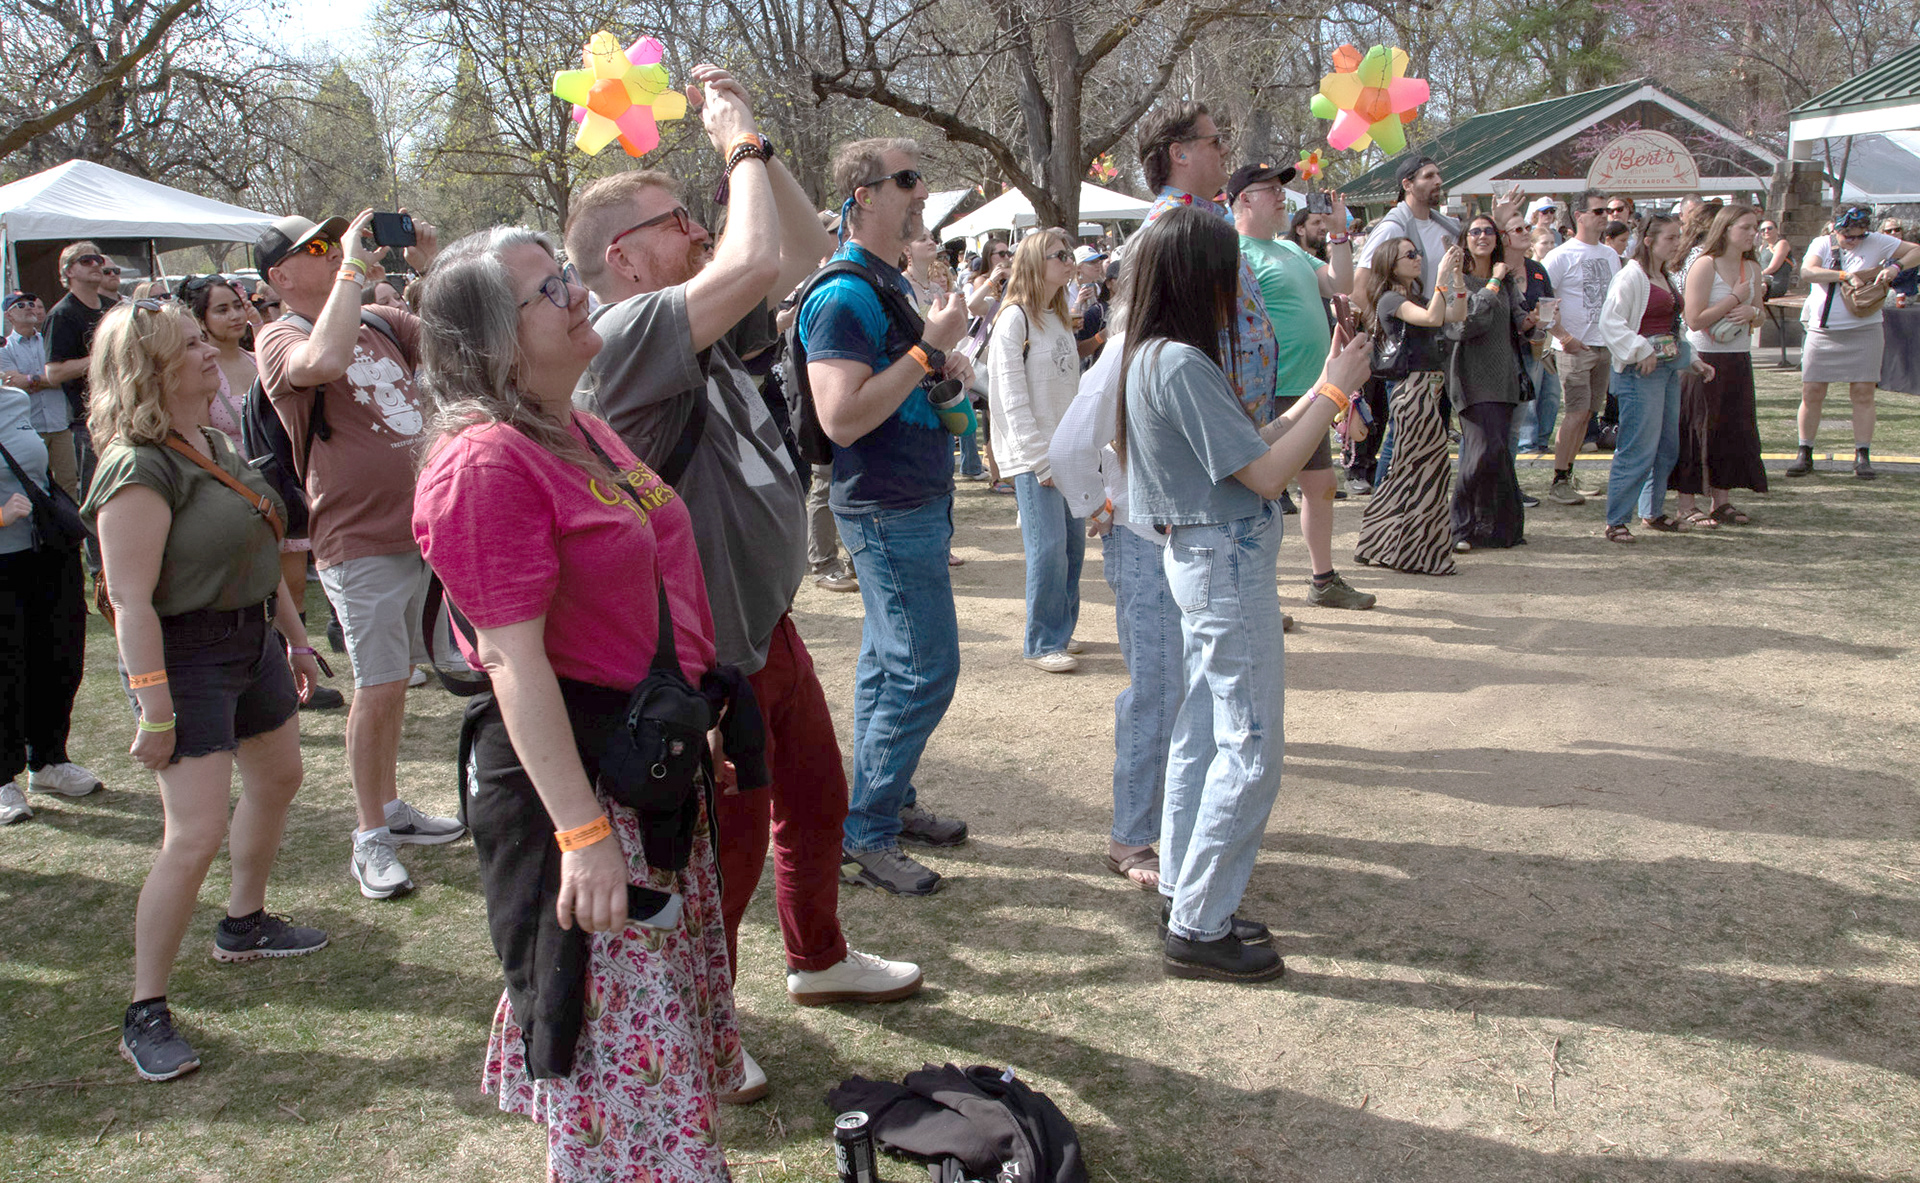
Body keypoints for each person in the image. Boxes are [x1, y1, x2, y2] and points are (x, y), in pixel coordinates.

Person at [566, 69, 922, 1103]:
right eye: (676, 221)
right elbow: (762, 252)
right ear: (623, 256)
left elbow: (805, 253)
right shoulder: (626, 333)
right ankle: (703, 1024)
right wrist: (737, 140)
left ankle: (815, 960)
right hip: (700, 652)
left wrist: (756, 155)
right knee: (722, 854)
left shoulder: (706, 319)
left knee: (817, 800)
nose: (698, 229)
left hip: (764, 623)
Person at [411, 227, 741, 1182]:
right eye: (547, 288)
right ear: (490, 338)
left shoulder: (575, 422)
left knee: (656, 1067)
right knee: (622, 1086)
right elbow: (513, 663)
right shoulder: (484, 464)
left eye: (566, 274)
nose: (575, 291)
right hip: (584, 792)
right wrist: (581, 836)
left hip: (640, 768)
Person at [1113, 204, 1371, 982]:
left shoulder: (1162, 356)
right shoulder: (1179, 363)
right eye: (1231, 267)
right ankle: (1197, 923)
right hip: (1222, 557)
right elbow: (1264, 474)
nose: (1243, 280)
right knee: (1250, 745)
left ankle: (1192, 897)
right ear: (1200, 277)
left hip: (1208, 555)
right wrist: (1334, 396)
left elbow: (1251, 446)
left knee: (1206, 732)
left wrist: (1323, 386)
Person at [82, 299, 328, 1080]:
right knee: (191, 834)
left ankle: (243, 924)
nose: (206, 350)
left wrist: (293, 635)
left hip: (249, 638)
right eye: (188, 344)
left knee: (280, 777)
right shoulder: (137, 466)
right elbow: (129, 601)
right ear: (150, 369)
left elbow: (261, 542)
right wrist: (154, 706)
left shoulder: (213, 439)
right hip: (184, 654)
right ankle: (144, 1008)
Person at [255, 209, 467, 901]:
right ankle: (369, 835)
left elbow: (458, 342)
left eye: (337, 240)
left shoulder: (379, 317)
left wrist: (428, 268)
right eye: (316, 246)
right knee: (377, 688)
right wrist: (352, 268)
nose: (338, 249)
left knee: (405, 680)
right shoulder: (280, 335)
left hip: (426, 528)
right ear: (282, 276)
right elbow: (325, 361)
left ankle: (395, 808)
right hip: (359, 539)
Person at [799, 137, 977, 896]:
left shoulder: (886, 282)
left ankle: (885, 802)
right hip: (884, 509)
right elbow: (839, 418)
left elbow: (902, 384)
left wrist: (941, 364)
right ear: (862, 196)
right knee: (924, 669)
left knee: (885, 667)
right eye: (908, 179)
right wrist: (928, 349)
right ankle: (865, 831)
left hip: (912, 499)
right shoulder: (843, 293)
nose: (922, 191)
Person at [1228, 164, 1376, 612]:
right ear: (1243, 200)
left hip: (1313, 389)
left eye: (1281, 190)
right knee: (1257, 494)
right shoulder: (1234, 252)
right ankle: (1256, 592)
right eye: (1269, 190)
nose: (1280, 197)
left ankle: (1323, 579)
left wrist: (1339, 233)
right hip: (1267, 391)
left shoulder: (1289, 250)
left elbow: (1341, 284)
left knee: (1323, 486)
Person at [0, 363, 99, 825]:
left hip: (47, 551)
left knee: (60, 653)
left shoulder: (15, 402)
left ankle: (49, 760)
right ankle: (3, 778)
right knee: (6, 665)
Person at [986, 227, 1087, 673]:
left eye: (1068, 253)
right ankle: (1042, 641)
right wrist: (1038, 459)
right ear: (1033, 263)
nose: (1068, 260)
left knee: (1073, 548)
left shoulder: (1060, 318)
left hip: (1069, 452)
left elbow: (1074, 390)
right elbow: (1009, 398)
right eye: (1057, 255)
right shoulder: (1014, 319)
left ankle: (1060, 628)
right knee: (1047, 548)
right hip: (1035, 457)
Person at [1137, 101, 1278, 414]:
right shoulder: (1173, 231)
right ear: (1179, 154)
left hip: (1238, 422)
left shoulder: (1205, 220)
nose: (1225, 149)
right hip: (1214, 425)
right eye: (1215, 142)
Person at [1597, 213, 1718, 540]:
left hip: (1666, 369)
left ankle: (1651, 511)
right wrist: (1640, 349)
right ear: (1648, 241)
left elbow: (1672, 328)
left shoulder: (1665, 276)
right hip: (1640, 373)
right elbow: (1611, 323)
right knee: (1638, 447)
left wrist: (1692, 359)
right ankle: (1616, 520)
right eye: (1670, 237)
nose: (1676, 243)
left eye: (1679, 237)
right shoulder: (1631, 277)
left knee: (1667, 445)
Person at [1354, 236, 1465, 575]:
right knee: (1421, 471)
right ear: (1392, 263)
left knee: (1420, 470)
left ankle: (1385, 544)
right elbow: (1433, 318)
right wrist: (1442, 273)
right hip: (1412, 390)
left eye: (1417, 253)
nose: (1417, 259)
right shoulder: (1389, 299)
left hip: (1428, 389)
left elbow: (1456, 314)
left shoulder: (1411, 297)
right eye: (1409, 255)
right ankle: (1417, 552)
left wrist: (1455, 277)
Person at [1789, 206, 1920, 479]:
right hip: (1823, 330)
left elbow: (1915, 250)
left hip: (1865, 329)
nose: (1854, 241)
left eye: (1860, 236)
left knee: (1863, 392)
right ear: (1835, 229)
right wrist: (1844, 275)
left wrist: (1895, 267)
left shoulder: (1879, 241)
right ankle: (1805, 452)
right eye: (1848, 236)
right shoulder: (1822, 244)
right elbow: (1808, 272)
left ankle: (1862, 455)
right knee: (1812, 391)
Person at [1673, 204, 1769, 526]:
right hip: (1704, 360)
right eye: (1745, 227)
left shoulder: (1752, 268)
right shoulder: (1705, 265)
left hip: (1738, 356)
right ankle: (1686, 504)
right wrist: (1732, 300)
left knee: (1730, 428)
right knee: (1696, 429)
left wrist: (1753, 313)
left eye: (1755, 227)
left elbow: (1760, 312)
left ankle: (1721, 501)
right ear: (1726, 229)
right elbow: (1693, 320)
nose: (1752, 234)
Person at [1448, 215, 1528, 552]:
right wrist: (1493, 283)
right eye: (1475, 231)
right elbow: (1465, 326)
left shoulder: (1507, 281)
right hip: (1471, 377)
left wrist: (1533, 321)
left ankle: (1501, 527)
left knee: (1499, 453)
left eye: (1489, 231)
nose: (1482, 236)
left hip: (1505, 377)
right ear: (1465, 239)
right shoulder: (1457, 280)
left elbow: (1519, 320)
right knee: (1481, 452)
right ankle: (1458, 528)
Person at [1542, 191, 1622, 506]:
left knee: (1588, 413)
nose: (1606, 216)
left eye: (1608, 211)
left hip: (1603, 344)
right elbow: (1543, 302)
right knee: (1575, 414)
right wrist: (1563, 336)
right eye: (1599, 210)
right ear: (1580, 216)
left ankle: (1569, 472)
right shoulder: (1561, 255)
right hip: (1572, 347)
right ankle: (1558, 479)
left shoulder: (1610, 254)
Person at [44, 241, 118, 568]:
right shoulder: (62, 315)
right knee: (95, 498)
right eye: (86, 260)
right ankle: (99, 569)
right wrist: (98, 357)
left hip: (121, 413)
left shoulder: (110, 308)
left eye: (98, 259)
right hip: (88, 421)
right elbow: (53, 372)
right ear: (69, 271)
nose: (95, 264)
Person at [1354, 157, 1461, 317]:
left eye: (1438, 175)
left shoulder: (1450, 227)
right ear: (1407, 185)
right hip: (1408, 332)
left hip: (1443, 327)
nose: (1438, 181)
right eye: (1429, 176)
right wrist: (1385, 329)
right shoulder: (1392, 229)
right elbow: (1359, 290)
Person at [2, 291, 78, 500]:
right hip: (30, 428)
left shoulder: (50, 339)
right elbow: (14, 384)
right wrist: (48, 378)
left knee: (68, 483)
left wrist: (30, 380)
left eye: (30, 303)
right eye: (20, 305)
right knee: (34, 484)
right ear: (9, 316)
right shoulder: (4, 349)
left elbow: (63, 377)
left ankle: (71, 529)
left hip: (60, 425)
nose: (29, 307)